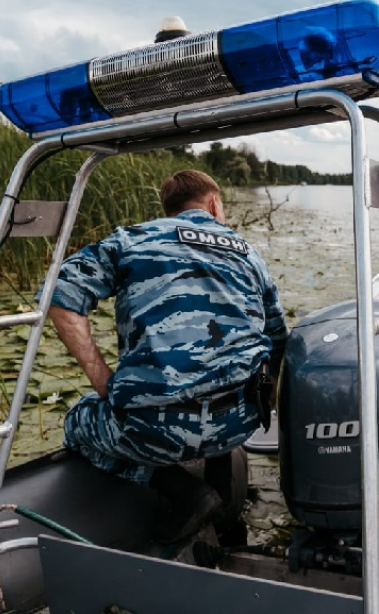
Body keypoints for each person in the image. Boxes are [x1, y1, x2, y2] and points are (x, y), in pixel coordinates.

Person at [44, 169, 288, 543]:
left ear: (169, 209)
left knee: (77, 423)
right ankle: (224, 512)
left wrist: (101, 377)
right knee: (227, 379)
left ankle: (185, 493)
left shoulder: (132, 240)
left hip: (154, 432)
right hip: (238, 422)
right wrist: (265, 397)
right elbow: (277, 337)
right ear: (214, 204)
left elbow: (60, 292)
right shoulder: (249, 253)